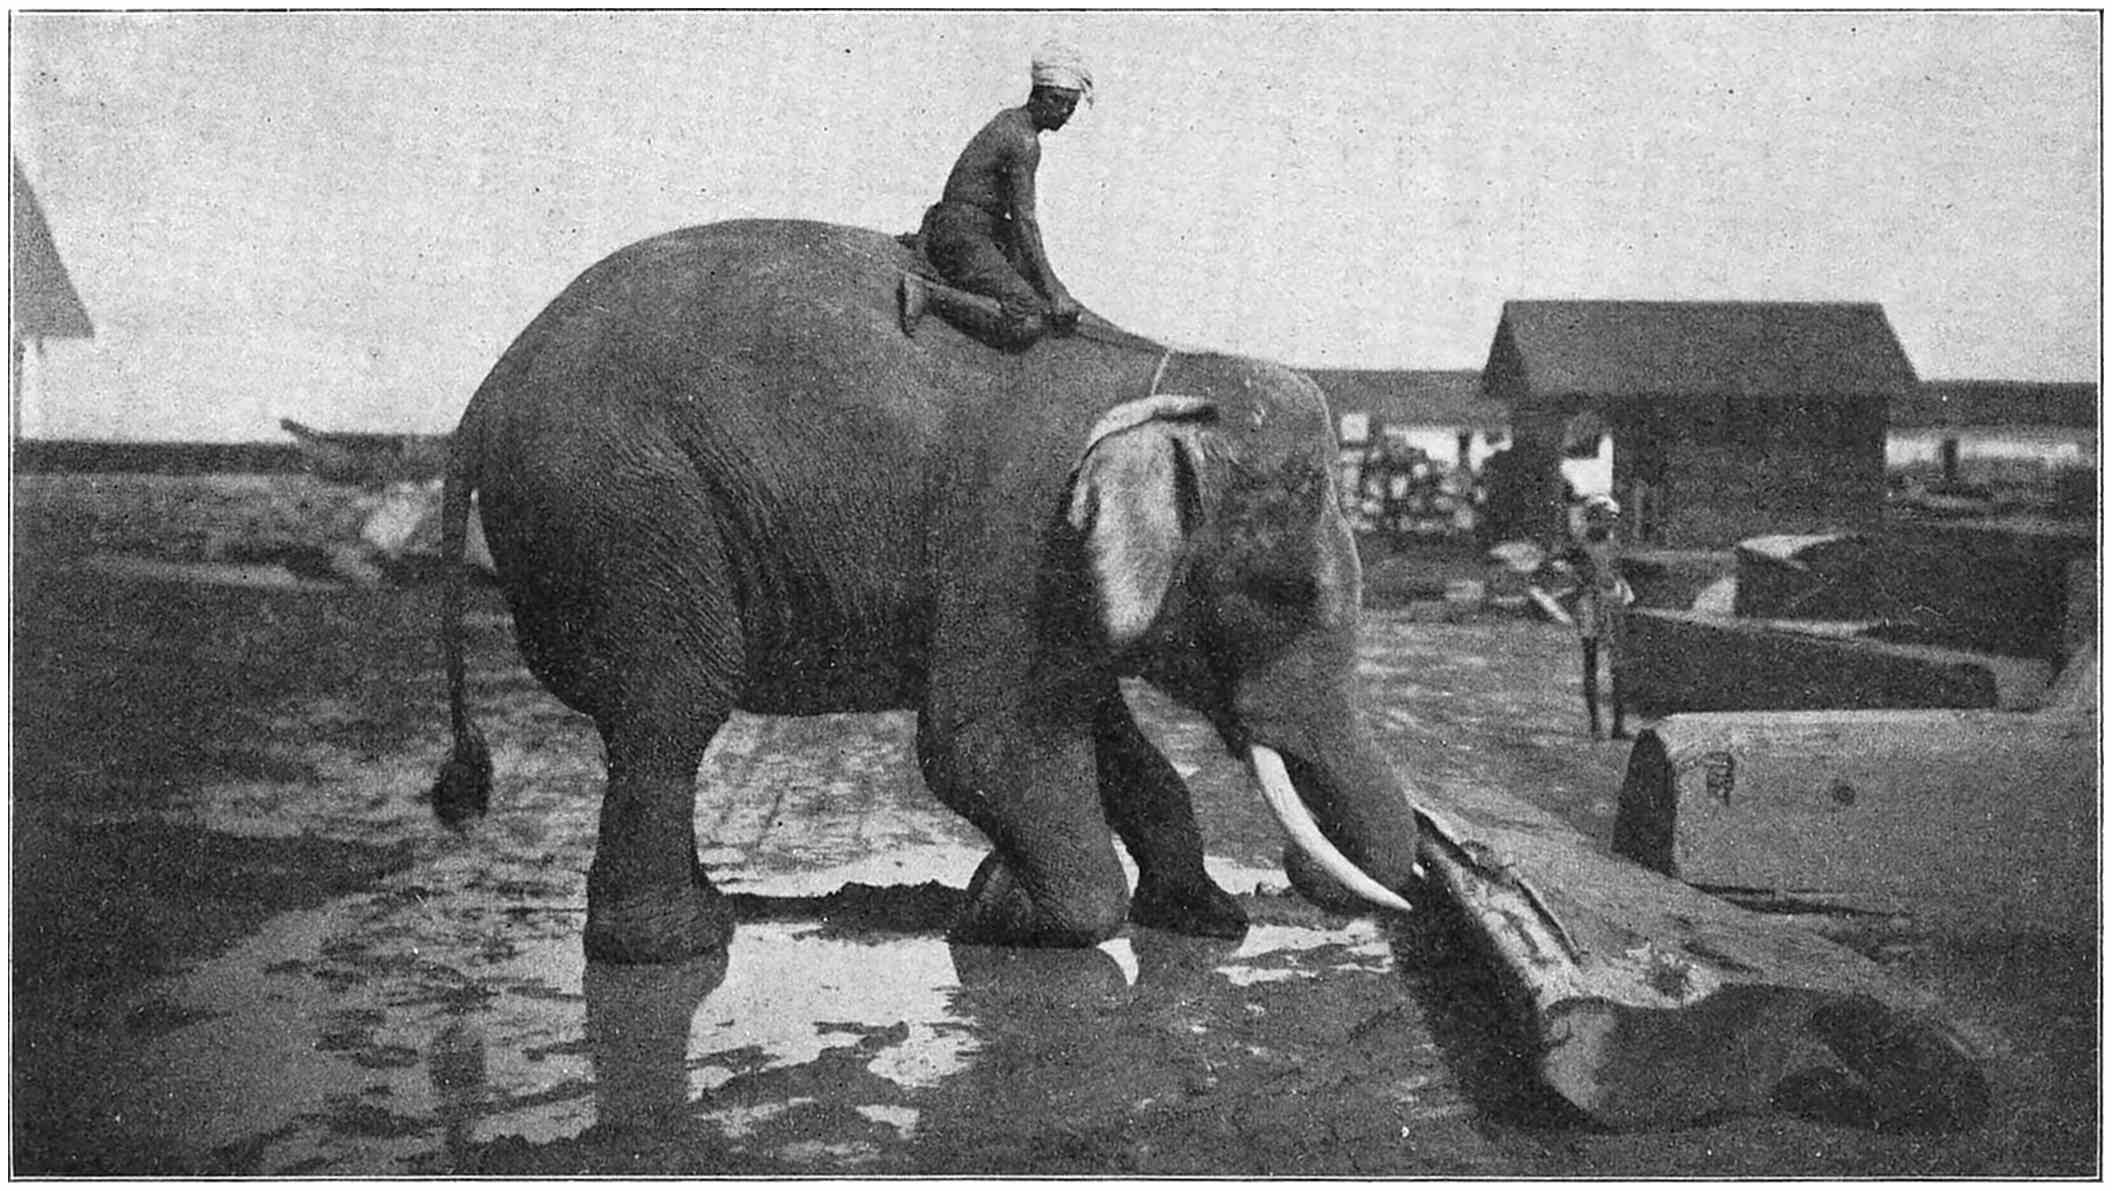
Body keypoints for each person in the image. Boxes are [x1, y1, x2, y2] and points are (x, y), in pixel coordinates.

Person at [901, 42, 1091, 347]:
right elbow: (1024, 220)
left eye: (1071, 105)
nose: (1064, 112)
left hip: (961, 223)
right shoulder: (1023, 140)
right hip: (961, 231)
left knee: (1030, 269)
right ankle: (931, 295)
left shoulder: (1010, 120)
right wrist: (1055, 291)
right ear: (1038, 95)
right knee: (1028, 318)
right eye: (1058, 101)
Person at [1549, 493, 1634, 739]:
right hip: (1589, 603)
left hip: (1613, 602)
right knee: (1591, 662)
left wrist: (1619, 589)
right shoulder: (1580, 545)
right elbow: (1556, 562)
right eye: (1604, 518)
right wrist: (1574, 575)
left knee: (1618, 664)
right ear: (1593, 518)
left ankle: (1618, 725)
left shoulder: (1614, 542)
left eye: (1612, 519)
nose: (1609, 523)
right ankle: (1596, 724)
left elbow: (1617, 570)